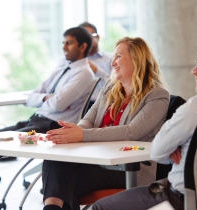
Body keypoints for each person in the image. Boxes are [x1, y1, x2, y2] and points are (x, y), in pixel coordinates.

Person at [91, 41, 197, 210]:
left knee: (100, 207)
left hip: (180, 198)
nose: (194, 70)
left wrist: (176, 147)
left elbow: (158, 151)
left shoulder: (195, 108)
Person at [42, 37, 170, 210]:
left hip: (130, 168)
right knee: (56, 159)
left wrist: (82, 135)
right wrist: (74, 131)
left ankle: (52, 206)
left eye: (118, 56)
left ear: (136, 59)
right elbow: (89, 120)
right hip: (99, 159)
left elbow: (132, 132)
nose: (113, 62)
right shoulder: (109, 88)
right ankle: (52, 206)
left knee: (64, 184)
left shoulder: (157, 95)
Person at [0, 26, 95, 133]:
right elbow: (30, 98)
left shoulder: (84, 73)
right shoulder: (61, 69)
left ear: (82, 47)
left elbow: (57, 105)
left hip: (50, 126)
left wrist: (43, 100)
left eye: (69, 43)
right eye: (63, 43)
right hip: (34, 119)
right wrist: (46, 97)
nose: (64, 47)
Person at [58, 22, 112, 103]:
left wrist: (97, 70)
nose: (86, 42)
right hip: (73, 106)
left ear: (97, 37)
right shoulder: (66, 61)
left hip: (102, 104)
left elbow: (116, 86)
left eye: (89, 36)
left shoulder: (112, 59)